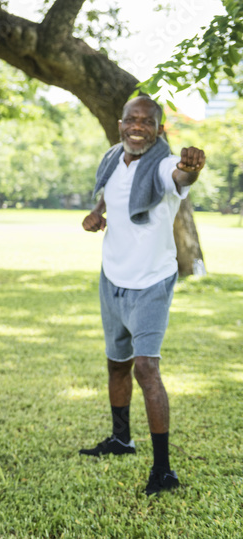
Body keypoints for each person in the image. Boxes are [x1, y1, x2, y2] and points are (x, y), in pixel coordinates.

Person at [80, 95, 205, 496]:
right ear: (121, 125)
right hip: (112, 278)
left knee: (146, 369)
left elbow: (181, 178)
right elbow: (110, 192)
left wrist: (191, 168)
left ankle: (164, 470)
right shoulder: (113, 158)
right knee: (117, 365)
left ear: (158, 128)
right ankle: (121, 440)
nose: (138, 126)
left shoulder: (166, 164)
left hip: (151, 282)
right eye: (131, 120)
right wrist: (99, 212)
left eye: (146, 121)